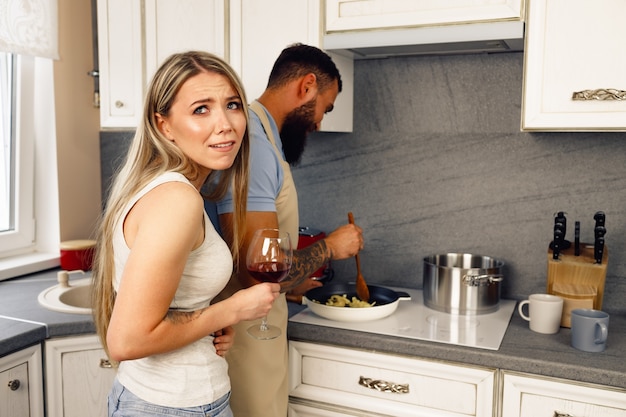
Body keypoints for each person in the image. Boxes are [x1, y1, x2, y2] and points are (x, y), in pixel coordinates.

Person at [91, 51, 280, 417]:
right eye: (201, 109)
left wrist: (211, 316)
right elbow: (127, 340)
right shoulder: (177, 199)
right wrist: (233, 308)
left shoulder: (166, 189)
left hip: (181, 400)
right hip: (171, 407)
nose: (225, 124)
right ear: (164, 126)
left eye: (232, 105)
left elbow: (169, 305)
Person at [215, 43, 364, 417]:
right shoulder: (255, 146)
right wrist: (329, 248)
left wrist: (291, 282)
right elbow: (256, 273)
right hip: (243, 335)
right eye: (324, 108)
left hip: (254, 326)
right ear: (307, 86)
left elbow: (247, 255)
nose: (319, 123)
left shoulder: (261, 136)